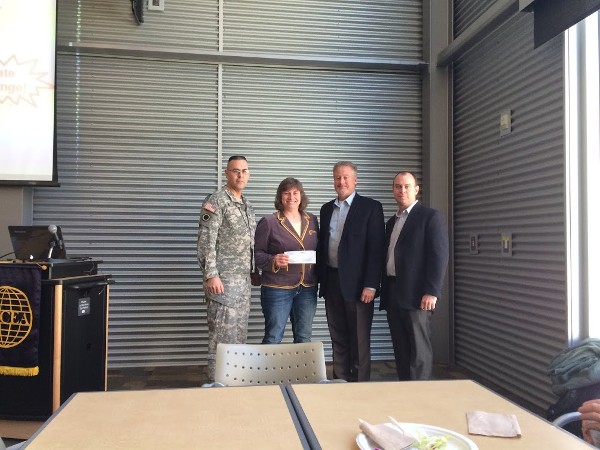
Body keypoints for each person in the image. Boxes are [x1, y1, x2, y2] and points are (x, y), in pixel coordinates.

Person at [318, 161, 385, 381]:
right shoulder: (326, 209)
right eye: (337, 177)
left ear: (355, 180)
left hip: (359, 287)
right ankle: (340, 381)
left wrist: (371, 284)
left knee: (359, 340)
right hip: (332, 282)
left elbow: (376, 249)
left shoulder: (370, 207)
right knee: (338, 338)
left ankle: (360, 387)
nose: (341, 182)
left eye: (346, 177)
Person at [380, 171, 449, 381]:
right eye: (398, 186)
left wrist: (432, 291)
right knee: (401, 350)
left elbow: (439, 255)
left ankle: (421, 397)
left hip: (418, 295)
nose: (402, 190)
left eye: (407, 186)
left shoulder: (430, 217)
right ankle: (405, 392)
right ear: (393, 190)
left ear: (416, 189)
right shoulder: (392, 222)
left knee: (419, 352)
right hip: (393, 292)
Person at [197, 155, 256, 382]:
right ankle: (216, 388)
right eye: (235, 171)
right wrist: (211, 274)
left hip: (243, 284)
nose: (240, 175)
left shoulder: (247, 206)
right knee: (220, 342)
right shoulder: (216, 201)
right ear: (226, 173)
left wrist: (254, 272)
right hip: (222, 284)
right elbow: (206, 241)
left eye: (244, 171)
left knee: (238, 338)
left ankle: (234, 386)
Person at [254, 177, 319, 344]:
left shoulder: (312, 220)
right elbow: (257, 254)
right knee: (273, 336)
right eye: (286, 193)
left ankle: (301, 371)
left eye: (295, 193)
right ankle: (269, 371)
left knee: (304, 337)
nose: (291, 197)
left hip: (307, 288)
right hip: (277, 288)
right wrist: (274, 260)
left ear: (301, 196)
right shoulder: (269, 221)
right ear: (280, 197)